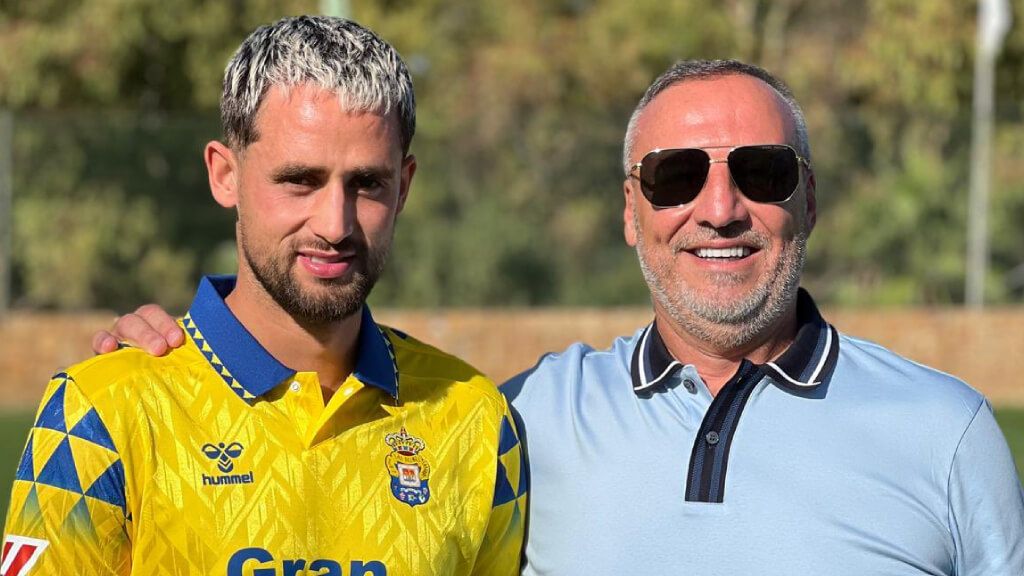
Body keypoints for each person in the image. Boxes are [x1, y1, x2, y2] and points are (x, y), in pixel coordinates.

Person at [91, 60, 1024, 575]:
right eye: (675, 177)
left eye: (762, 172)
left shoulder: (946, 435)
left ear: (808, 199)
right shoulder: (516, 418)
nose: (720, 208)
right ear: (630, 212)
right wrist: (170, 365)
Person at [2, 16, 526, 576]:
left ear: (404, 187)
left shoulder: (475, 420)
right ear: (225, 175)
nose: (334, 224)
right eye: (300, 179)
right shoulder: (104, 411)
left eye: (367, 183)